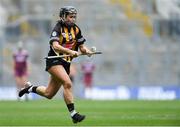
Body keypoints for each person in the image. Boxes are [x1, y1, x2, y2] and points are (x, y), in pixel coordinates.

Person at [18, 6, 93, 123]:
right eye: (70, 17)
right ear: (63, 16)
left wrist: (87, 51)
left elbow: (81, 47)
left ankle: (29, 88)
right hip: (54, 61)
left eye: (74, 17)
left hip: (66, 63)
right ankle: (73, 114)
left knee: (49, 93)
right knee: (67, 83)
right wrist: (70, 52)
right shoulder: (58, 28)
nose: (73, 19)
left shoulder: (76, 29)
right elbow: (55, 46)